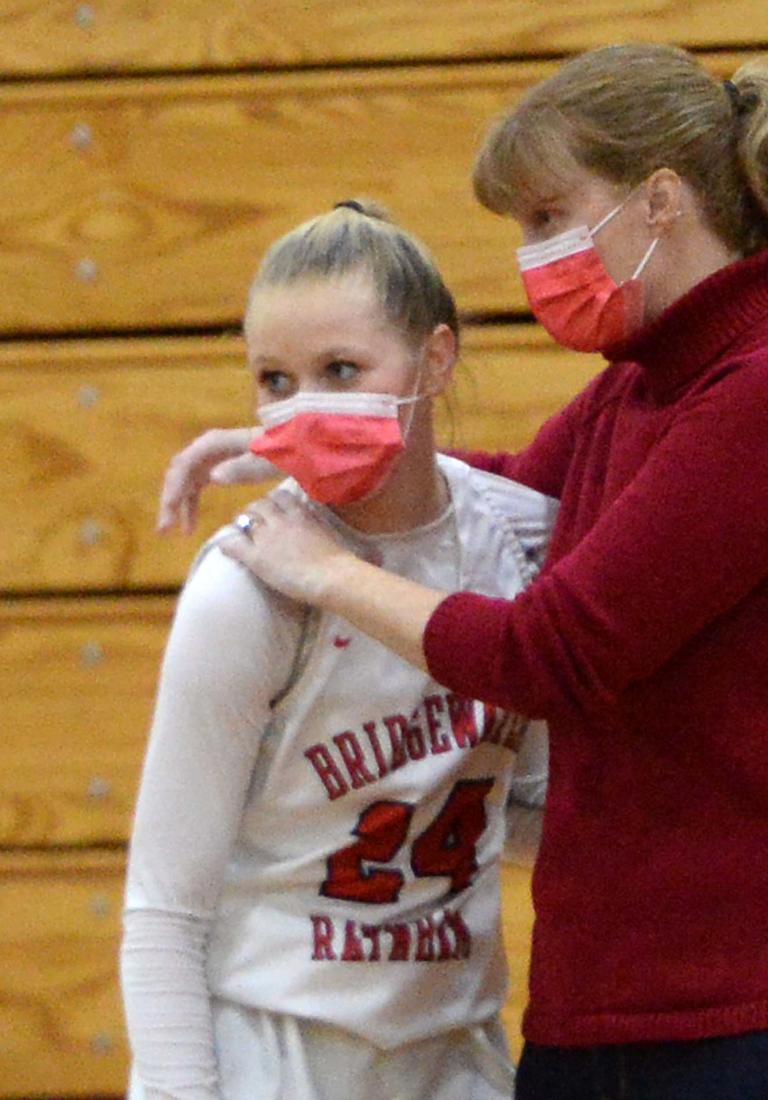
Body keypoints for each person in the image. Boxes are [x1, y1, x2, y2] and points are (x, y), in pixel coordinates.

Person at [155, 44, 768, 1100]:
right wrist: (312, 430)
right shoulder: (640, 387)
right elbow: (495, 493)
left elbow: (551, 648)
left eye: (546, 216)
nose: (531, 257)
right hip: (616, 1000)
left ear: (660, 201)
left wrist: (327, 572)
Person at [120, 201, 557, 1100]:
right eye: (275, 380)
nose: (306, 405)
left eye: (341, 370)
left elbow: (518, 815)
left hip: (456, 1053)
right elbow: (165, 909)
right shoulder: (245, 587)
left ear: (436, 360)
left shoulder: (520, 540)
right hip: (274, 1057)